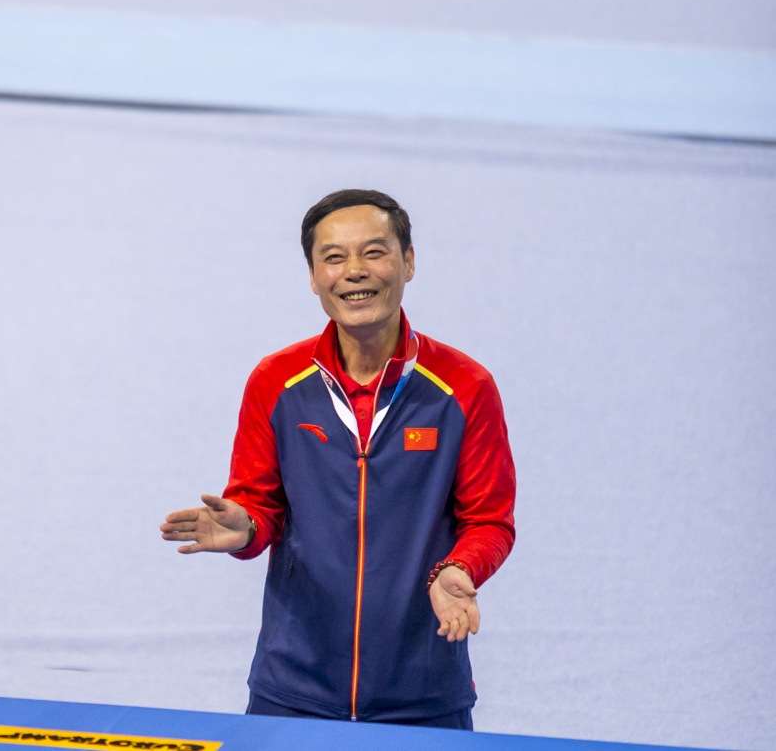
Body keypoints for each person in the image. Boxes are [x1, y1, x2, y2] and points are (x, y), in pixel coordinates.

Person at [160, 189, 515, 730]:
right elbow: (258, 505)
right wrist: (246, 528)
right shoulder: (275, 382)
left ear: (409, 261)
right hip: (292, 688)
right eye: (333, 257)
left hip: (423, 694)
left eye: (374, 252)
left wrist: (459, 569)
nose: (354, 271)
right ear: (312, 275)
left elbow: (489, 519)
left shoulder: (465, 388)